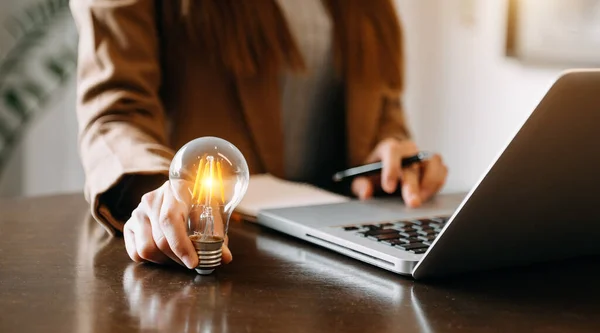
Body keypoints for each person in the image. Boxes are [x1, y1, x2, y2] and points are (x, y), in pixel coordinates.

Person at [70, 0, 448, 270]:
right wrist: (163, 192)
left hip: (337, 257)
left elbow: (383, 102)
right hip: (230, 253)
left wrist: (389, 151)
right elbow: (116, 110)